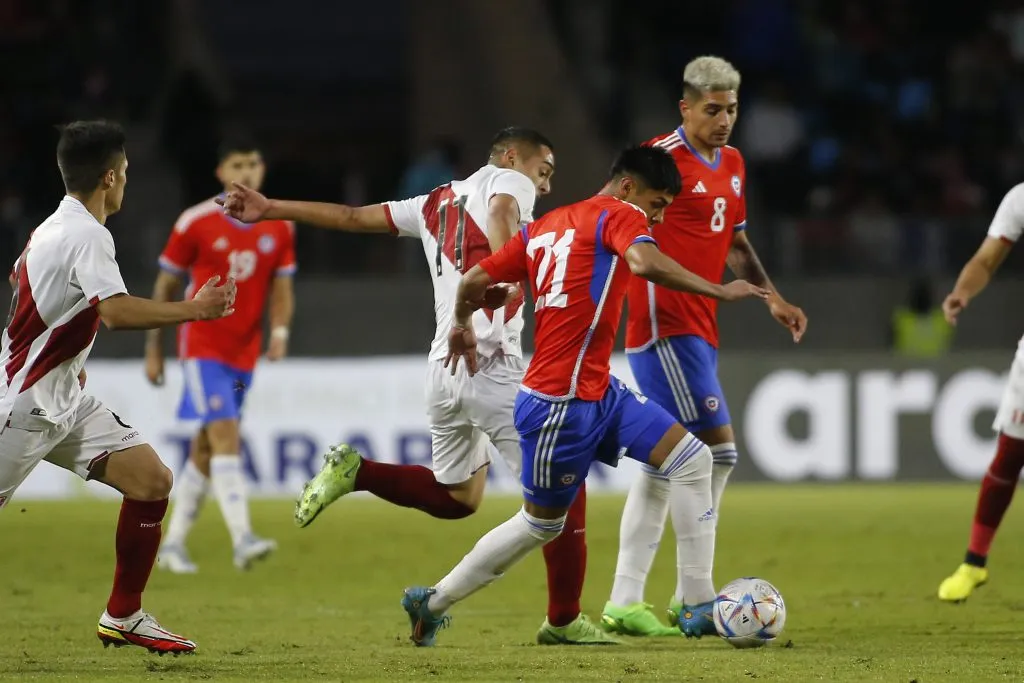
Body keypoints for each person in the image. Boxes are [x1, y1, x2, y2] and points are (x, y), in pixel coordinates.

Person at [220, 128, 609, 644]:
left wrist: (272, 208)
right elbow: (499, 217)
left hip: (443, 368)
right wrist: (503, 269)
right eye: (545, 169)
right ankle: (564, 620)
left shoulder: (430, 203)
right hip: (489, 363)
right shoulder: (509, 183)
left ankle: (357, 472)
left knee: (459, 497)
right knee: (564, 489)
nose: (546, 183)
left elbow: (353, 217)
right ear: (514, 157)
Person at [399, 145, 770, 647]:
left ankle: (698, 604)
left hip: (599, 390)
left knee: (692, 460)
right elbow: (641, 262)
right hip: (558, 406)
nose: (656, 217)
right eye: (657, 204)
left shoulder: (546, 226)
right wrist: (720, 290)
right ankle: (433, 601)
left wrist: (462, 324)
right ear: (627, 186)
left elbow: (476, 278)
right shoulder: (617, 214)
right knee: (540, 526)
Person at [1, 120, 235, 654]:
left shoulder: (52, 229)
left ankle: (123, 615)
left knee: (151, 480)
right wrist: (197, 309)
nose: (127, 182)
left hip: (61, 397)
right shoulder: (87, 234)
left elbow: (42, 313)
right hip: (23, 408)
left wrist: (68, 362)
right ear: (109, 178)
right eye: (125, 173)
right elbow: (117, 313)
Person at [601, 55, 808, 637]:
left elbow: (735, 243)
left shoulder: (734, 163)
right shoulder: (657, 159)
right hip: (662, 323)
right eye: (713, 109)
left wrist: (772, 296)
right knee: (718, 453)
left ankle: (626, 598)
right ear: (685, 106)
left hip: (702, 326)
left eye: (732, 110)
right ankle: (695, 599)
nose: (724, 121)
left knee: (666, 466)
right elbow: (604, 214)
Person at [146, 136, 295, 573]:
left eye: (253, 163)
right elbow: (164, 289)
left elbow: (282, 289)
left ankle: (172, 545)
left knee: (208, 448)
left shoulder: (280, 225)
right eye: (237, 164)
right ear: (220, 173)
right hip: (202, 345)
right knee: (226, 434)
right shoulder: (195, 222)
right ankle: (243, 539)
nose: (247, 172)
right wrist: (153, 348)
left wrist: (280, 331)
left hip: (243, 351)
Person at [937, 182, 1024, 602]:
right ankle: (974, 563)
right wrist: (962, 292)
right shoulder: (1020, 198)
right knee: (1010, 454)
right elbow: (987, 260)